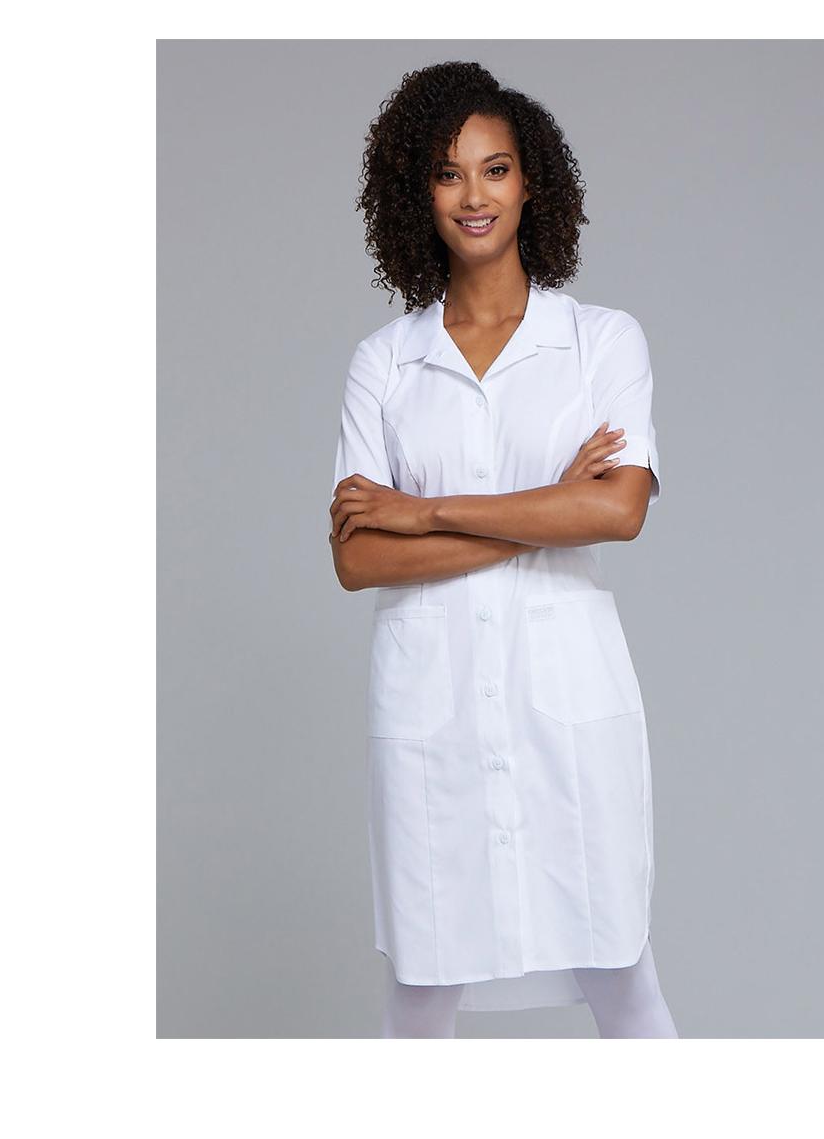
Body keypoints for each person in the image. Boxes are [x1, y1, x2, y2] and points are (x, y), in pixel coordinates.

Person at [329, 61, 677, 1038]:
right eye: (448, 173)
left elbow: (619, 513)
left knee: (621, 969)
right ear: (419, 194)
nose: (474, 195)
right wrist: (549, 503)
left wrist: (424, 512)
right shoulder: (385, 364)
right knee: (421, 985)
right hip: (433, 703)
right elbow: (358, 560)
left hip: (564, 692)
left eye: (495, 168)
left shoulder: (601, 342)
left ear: (531, 183)